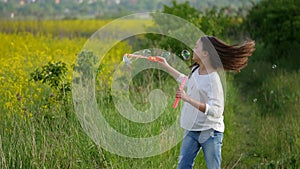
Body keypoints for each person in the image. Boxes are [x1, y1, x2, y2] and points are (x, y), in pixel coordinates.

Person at [156, 36, 255, 169]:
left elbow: (216, 111)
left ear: (206, 53)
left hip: (210, 132)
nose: (193, 49)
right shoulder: (196, 70)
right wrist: (165, 65)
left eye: (197, 47)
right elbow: (187, 81)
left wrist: (188, 99)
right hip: (192, 129)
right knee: (183, 166)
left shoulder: (213, 80)